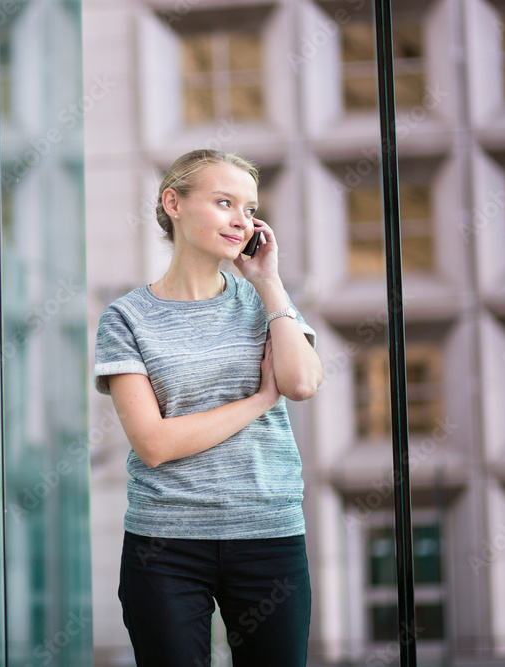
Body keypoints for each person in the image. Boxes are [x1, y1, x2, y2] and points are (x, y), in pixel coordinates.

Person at [94, 149, 323, 667]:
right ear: (173, 202)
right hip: (165, 547)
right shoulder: (126, 317)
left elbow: (303, 381)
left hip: (269, 535)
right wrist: (260, 401)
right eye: (224, 203)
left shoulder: (264, 302)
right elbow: (154, 444)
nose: (241, 220)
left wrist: (267, 281)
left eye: (249, 208)